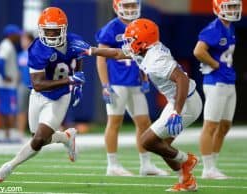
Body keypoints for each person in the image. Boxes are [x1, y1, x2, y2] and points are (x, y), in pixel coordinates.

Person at [75, 18, 202, 192]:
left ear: (143, 40)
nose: (128, 43)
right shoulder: (144, 47)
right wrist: (91, 50)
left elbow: (182, 79)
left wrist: (176, 112)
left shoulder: (157, 58)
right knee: (162, 146)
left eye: (131, 39)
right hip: (179, 100)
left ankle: (187, 160)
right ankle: (187, 181)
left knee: (147, 141)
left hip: (186, 102)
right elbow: (118, 53)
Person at [0, 7, 87, 183]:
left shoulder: (74, 42)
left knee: (38, 141)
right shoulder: (37, 48)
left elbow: (78, 58)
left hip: (59, 97)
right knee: (38, 137)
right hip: (39, 94)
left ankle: (8, 167)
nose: (51, 35)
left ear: (64, 29)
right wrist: (71, 80)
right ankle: (65, 137)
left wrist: (77, 80)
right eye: (47, 30)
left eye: (55, 31)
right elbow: (38, 84)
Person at [95, 0, 167, 176]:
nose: (130, 9)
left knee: (144, 123)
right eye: (126, 5)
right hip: (117, 83)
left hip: (135, 82)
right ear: (117, 7)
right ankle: (112, 165)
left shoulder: (140, 26)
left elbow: (143, 55)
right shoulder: (111, 28)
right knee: (114, 123)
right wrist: (105, 84)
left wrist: (144, 75)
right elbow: (100, 58)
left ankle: (146, 164)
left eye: (133, 5)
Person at [193, 0, 242, 179]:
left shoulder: (230, 28)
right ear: (218, 7)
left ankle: (213, 164)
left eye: (234, 6)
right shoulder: (214, 28)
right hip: (215, 83)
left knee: (225, 126)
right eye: (228, 6)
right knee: (211, 125)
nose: (232, 10)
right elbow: (198, 51)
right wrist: (214, 64)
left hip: (228, 81)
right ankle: (208, 168)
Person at [0, 24, 21, 141]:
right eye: (17, 34)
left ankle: (6, 133)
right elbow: (0, 62)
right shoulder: (6, 46)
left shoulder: (8, 45)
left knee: (6, 109)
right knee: (8, 109)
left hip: (7, 85)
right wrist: (4, 76)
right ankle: (7, 133)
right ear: (11, 35)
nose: (18, 37)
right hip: (6, 85)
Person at [17, 32, 34, 139]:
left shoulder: (36, 53)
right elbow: (18, 71)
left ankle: (36, 131)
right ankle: (20, 132)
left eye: (25, 40)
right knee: (21, 109)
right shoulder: (20, 55)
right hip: (23, 84)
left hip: (35, 85)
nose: (23, 42)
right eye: (22, 40)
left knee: (35, 109)